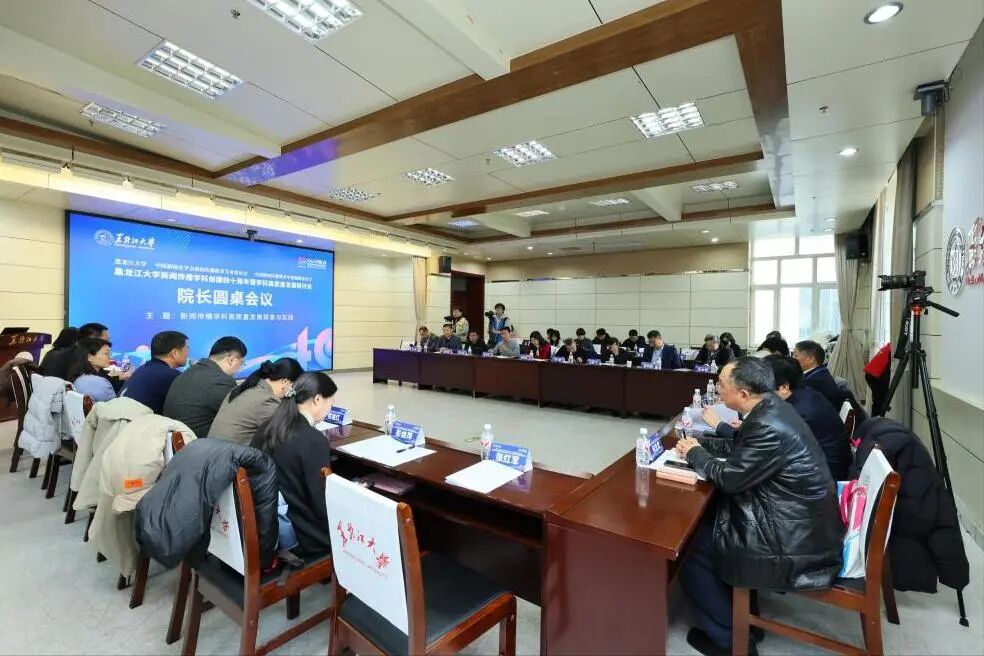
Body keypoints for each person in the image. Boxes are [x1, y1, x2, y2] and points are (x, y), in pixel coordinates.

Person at [674, 358, 843, 656]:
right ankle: (744, 621)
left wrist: (695, 452)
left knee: (693, 549)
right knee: (711, 522)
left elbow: (730, 479)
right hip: (798, 519)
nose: (718, 391)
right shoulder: (773, 407)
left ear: (743, 394)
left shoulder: (767, 423)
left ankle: (730, 641)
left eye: (722, 386)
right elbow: (752, 449)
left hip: (793, 539)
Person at [705, 356, 849, 480]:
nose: (757, 390)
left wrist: (719, 425)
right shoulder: (802, 395)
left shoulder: (797, 411)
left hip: (819, 478)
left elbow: (741, 469)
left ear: (783, 387)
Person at [253, 372, 337, 558]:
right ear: (317, 399)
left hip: (268, 523)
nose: (330, 408)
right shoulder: (314, 440)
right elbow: (321, 504)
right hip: (302, 534)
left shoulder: (267, 428)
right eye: (330, 402)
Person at [162, 336, 247, 438]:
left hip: (176, 441)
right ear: (231, 360)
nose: (240, 368)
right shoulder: (221, 380)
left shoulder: (189, 372)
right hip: (198, 443)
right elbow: (242, 417)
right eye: (242, 363)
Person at [209, 358, 304, 445]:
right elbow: (290, 434)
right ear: (285, 382)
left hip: (213, 451)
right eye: (294, 387)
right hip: (229, 456)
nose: (293, 392)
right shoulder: (267, 401)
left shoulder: (243, 389)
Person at [120, 331, 189, 414]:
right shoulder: (172, 376)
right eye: (187, 348)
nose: (187, 353)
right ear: (175, 353)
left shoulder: (142, 369)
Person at [793, 340, 845, 410]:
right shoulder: (821, 372)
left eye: (796, 356)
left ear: (810, 359)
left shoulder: (813, 381)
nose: (792, 358)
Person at [66, 338, 116, 402]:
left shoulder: (80, 376)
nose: (110, 357)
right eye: (106, 353)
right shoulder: (97, 382)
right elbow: (115, 405)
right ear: (89, 357)